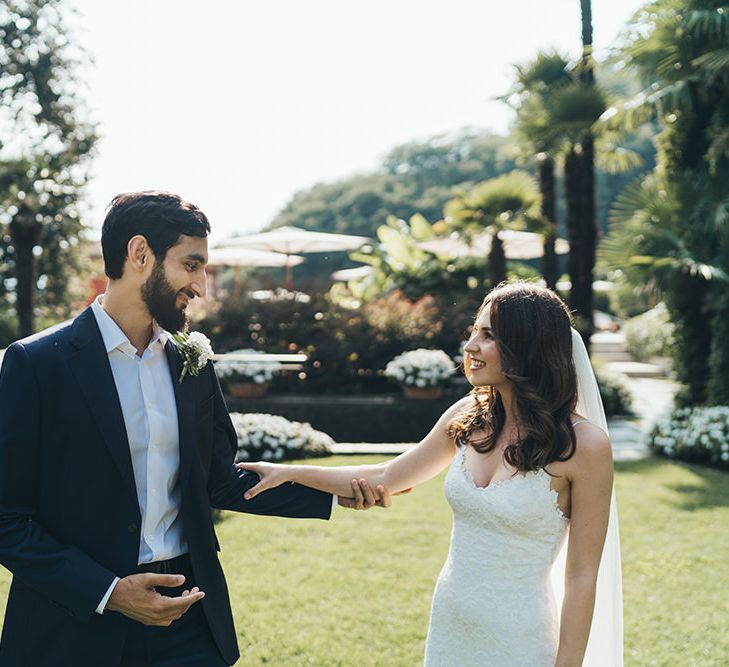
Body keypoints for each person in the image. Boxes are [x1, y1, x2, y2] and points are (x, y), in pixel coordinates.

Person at [0, 191, 388, 667]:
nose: (201, 287)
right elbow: (8, 519)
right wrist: (110, 593)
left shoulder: (193, 361)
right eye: (191, 265)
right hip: (73, 626)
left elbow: (218, 479)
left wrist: (333, 493)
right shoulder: (36, 364)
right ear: (139, 254)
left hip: (188, 619)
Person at [239, 281, 624, 666]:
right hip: (451, 625)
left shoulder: (585, 446)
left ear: (527, 346)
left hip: (521, 637)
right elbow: (387, 477)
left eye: (488, 336)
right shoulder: (467, 415)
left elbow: (581, 577)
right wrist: (290, 473)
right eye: (475, 331)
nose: (470, 346)